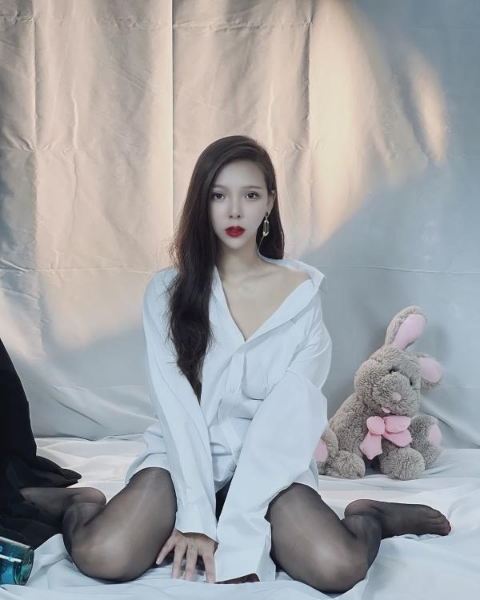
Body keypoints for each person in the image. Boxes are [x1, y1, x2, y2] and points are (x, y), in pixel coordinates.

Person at [21, 135, 451, 590]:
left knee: (337, 568)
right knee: (105, 556)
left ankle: (371, 515)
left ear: (270, 203)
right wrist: (195, 518)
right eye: (218, 195)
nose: (234, 211)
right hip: (183, 456)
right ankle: (81, 502)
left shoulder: (302, 296)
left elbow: (286, 421)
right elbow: (177, 410)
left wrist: (239, 533)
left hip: (270, 462)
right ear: (201, 203)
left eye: (249, 195)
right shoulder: (167, 292)